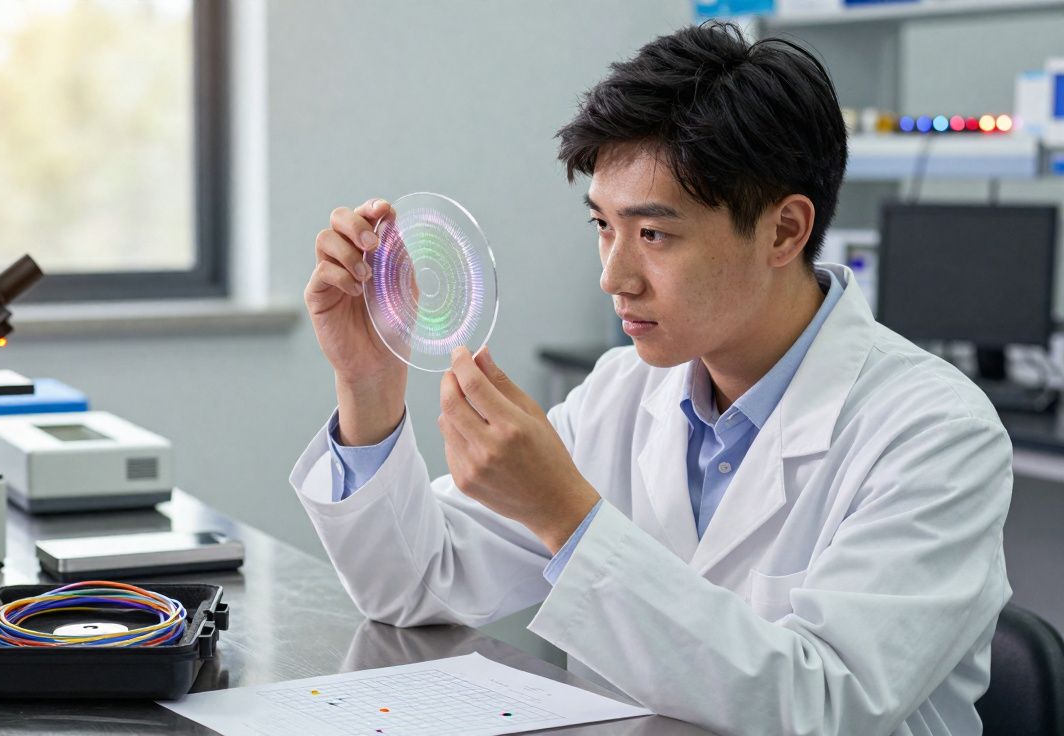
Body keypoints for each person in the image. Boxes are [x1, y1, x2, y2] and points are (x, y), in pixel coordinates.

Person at [291, 21, 1011, 736]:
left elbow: (823, 707)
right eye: (603, 225)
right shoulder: (623, 392)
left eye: (654, 234)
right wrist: (368, 384)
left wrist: (566, 516)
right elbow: (413, 587)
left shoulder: (937, 435)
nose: (613, 275)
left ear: (785, 231)